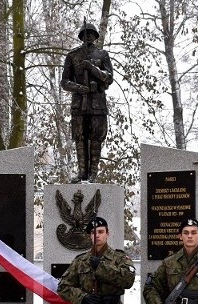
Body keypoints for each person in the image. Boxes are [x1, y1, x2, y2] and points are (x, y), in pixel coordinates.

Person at [61, 22, 113, 183]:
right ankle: (82, 172)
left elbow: (109, 77)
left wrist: (92, 68)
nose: (88, 36)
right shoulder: (73, 55)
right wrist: (79, 88)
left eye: (91, 33)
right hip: (79, 104)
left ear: (96, 36)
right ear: (81, 36)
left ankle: (93, 174)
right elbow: (64, 82)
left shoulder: (102, 55)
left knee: (96, 137)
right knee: (79, 137)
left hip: (97, 104)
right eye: (85, 33)